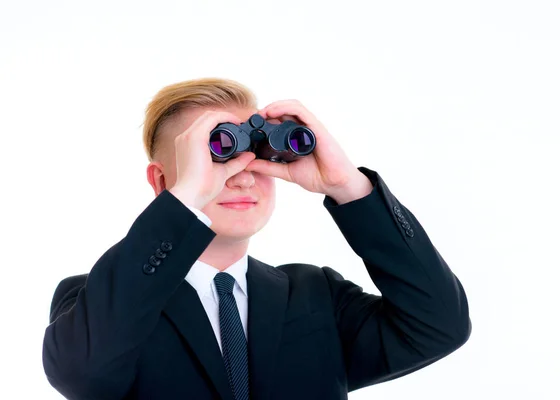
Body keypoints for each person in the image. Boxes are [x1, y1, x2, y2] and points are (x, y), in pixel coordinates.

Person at [42, 78, 471, 400]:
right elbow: (84, 373)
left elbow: (438, 326)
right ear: (163, 182)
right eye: (218, 155)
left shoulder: (316, 298)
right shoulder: (97, 303)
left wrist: (348, 185)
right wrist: (184, 200)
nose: (243, 174)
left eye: (261, 153)